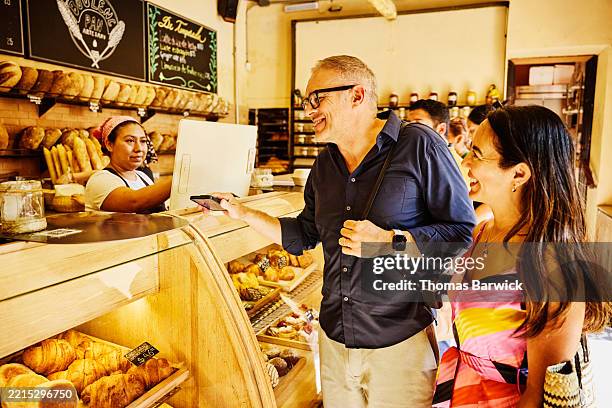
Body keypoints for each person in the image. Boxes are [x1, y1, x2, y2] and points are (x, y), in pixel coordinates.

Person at [210, 55, 476, 407]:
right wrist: (240, 211)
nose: (309, 110)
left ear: (357, 95)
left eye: (317, 99)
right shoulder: (323, 166)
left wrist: (389, 240)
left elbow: (460, 232)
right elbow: (304, 233)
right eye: (306, 102)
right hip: (335, 339)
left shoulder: (419, 145)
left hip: (400, 342)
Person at [432, 105, 611, 407]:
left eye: (477, 153)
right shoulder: (481, 233)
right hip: (464, 389)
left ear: (519, 173)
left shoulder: (552, 264)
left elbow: (539, 395)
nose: (465, 161)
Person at [85, 116, 171, 213]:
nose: (138, 148)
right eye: (130, 141)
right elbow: (134, 202)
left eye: (143, 141)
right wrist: (178, 179)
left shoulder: (143, 177)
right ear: (109, 145)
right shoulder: (100, 180)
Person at [407, 99, 470, 189]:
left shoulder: (458, 167)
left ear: (441, 129)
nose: (409, 129)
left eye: (417, 123)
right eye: (408, 123)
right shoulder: (418, 157)